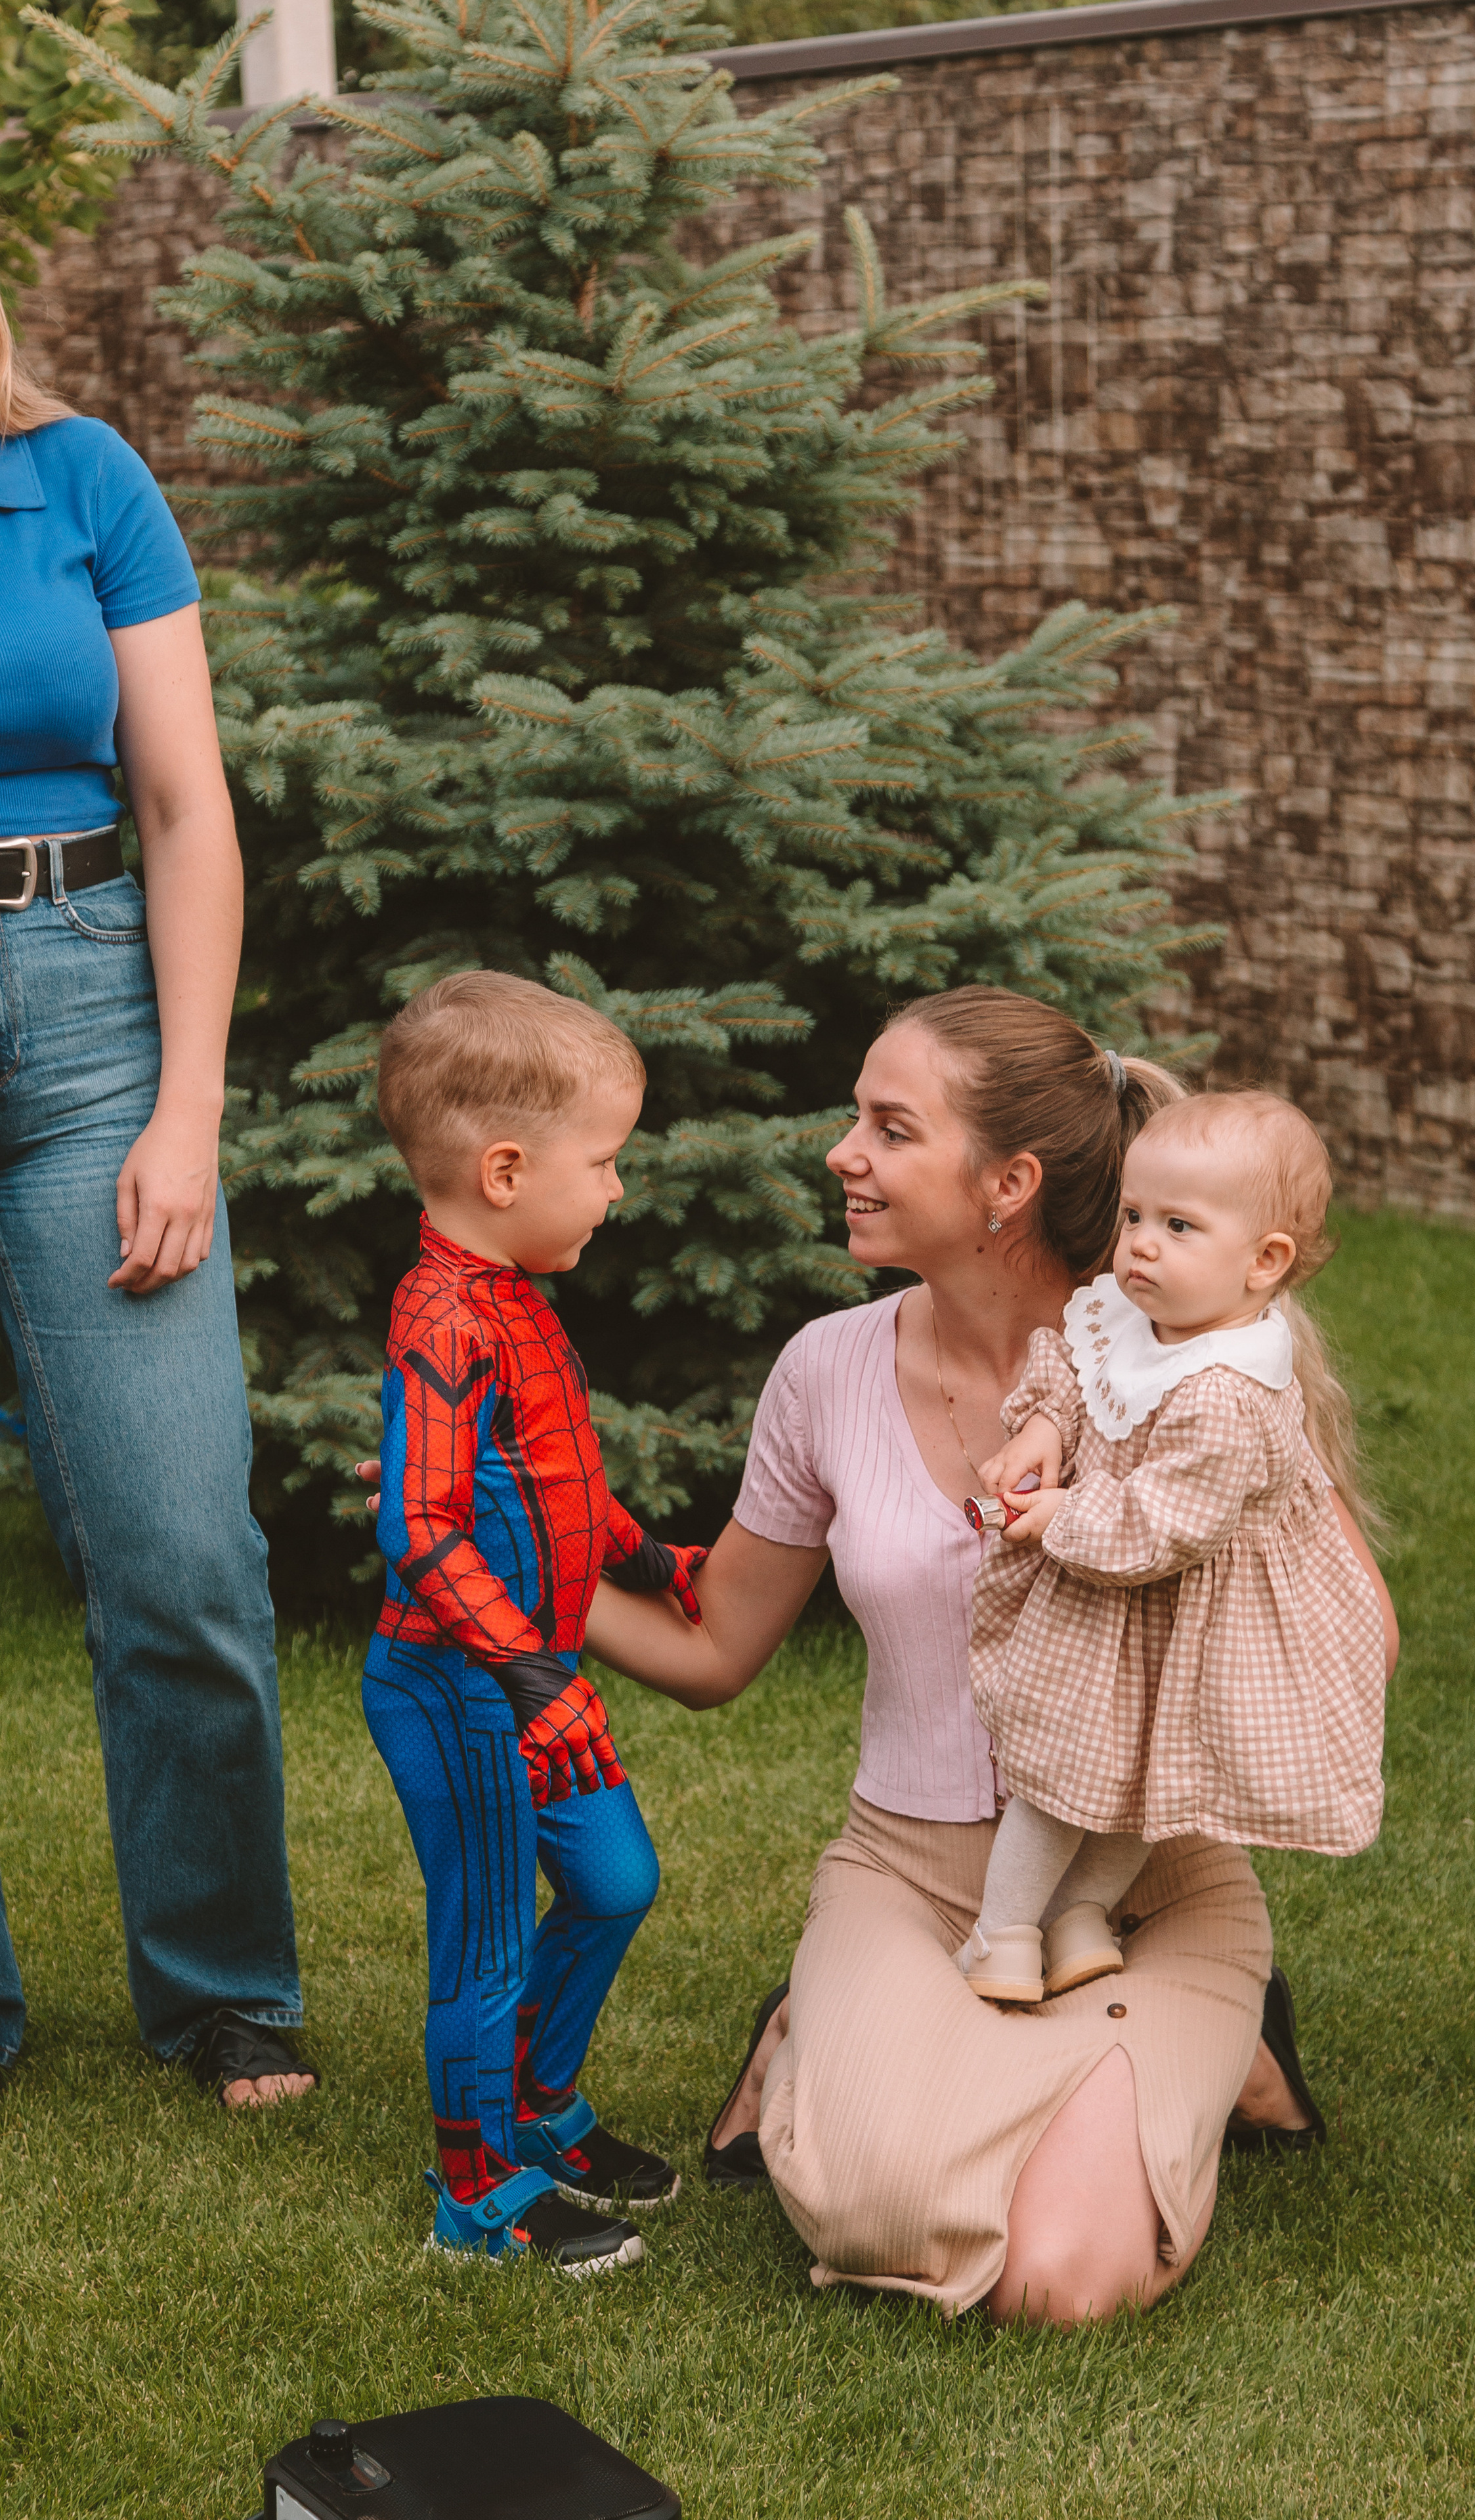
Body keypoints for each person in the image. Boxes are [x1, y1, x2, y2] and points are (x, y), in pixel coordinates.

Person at [580, 986, 1400, 2324]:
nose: (841, 1153)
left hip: (1139, 1886)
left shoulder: (1186, 1362)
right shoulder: (823, 1372)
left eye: (887, 1128)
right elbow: (717, 1647)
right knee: (872, 2213)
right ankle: (820, 2020)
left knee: (1061, 2279)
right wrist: (526, 1596)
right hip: (910, 1870)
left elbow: (1358, 1627)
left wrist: (1166, 1573)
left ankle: (1207, 2032)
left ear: (1006, 1183)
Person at [0, 310, 314, 2105]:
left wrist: (186, 1107)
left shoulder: (82, 478)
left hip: (92, 1011)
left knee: (182, 1548)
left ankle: (218, 1985)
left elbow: (189, 806)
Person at [364, 971, 708, 2272]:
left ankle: (540, 2111)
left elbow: (554, 1475)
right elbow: (420, 1527)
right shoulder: (444, 1317)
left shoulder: (515, 1299)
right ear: (506, 1170)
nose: (617, 1190)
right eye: (606, 1162)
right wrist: (524, 1676)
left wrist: (647, 1554)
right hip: (458, 1686)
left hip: (531, 1676)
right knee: (488, 1942)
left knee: (616, 1882)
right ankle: (477, 2199)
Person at [956, 1089, 1387, 2007]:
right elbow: (1079, 1367)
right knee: (1067, 1775)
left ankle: (1045, 1924)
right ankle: (1029, 1930)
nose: (1141, 1243)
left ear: (1264, 1261)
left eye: (1179, 1226)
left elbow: (1164, 1526)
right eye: (1135, 1216)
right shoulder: (1134, 1312)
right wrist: (1042, 1424)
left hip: (1182, 1616)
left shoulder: (1229, 1394)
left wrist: (1057, 1517)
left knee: (1139, 1781)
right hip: (1116, 1611)